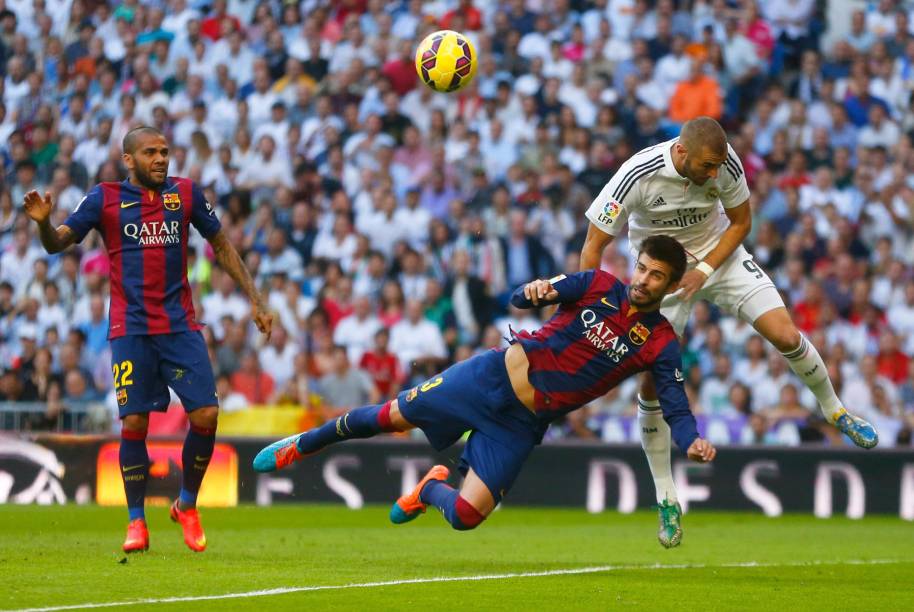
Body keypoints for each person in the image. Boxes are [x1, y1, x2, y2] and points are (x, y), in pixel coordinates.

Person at [254, 236, 715, 542]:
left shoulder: (659, 342)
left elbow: (673, 404)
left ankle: (429, 489)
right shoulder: (597, 284)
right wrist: (533, 291)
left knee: (465, 518)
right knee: (389, 419)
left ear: (672, 286)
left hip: (521, 424)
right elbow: (518, 296)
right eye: (642, 268)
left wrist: (690, 439)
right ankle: (303, 445)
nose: (643, 280)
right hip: (488, 379)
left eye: (656, 276)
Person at [579, 116, 877, 547]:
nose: (715, 174)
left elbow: (740, 223)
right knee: (651, 387)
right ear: (682, 153)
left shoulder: (725, 162)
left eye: (719, 165)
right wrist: (590, 309)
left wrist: (703, 270)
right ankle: (666, 498)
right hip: (664, 274)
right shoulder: (635, 174)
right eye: (707, 166)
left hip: (721, 258)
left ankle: (836, 411)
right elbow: (593, 245)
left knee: (787, 336)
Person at [22, 126, 273, 554]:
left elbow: (221, 245)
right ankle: (136, 521)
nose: (161, 159)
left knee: (207, 414)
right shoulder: (104, 198)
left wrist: (255, 298)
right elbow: (57, 243)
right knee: (135, 422)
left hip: (179, 326)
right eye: (151, 152)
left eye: (165, 152)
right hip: (130, 328)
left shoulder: (186, 194)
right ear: (129, 160)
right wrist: (45, 225)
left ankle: (187, 505)